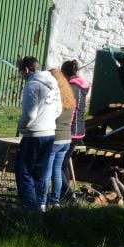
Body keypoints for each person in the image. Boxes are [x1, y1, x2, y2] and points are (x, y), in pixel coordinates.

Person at [15, 57, 62, 214]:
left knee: (24, 172)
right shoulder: (54, 85)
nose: (22, 76)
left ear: (27, 70)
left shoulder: (32, 84)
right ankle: (39, 206)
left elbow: (29, 113)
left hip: (34, 135)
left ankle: (30, 210)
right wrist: (47, 121)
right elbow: (58, 110)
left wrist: (21, 126)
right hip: (49, 134)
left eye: (21, 72)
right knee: (39, 174)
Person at [46, 69, 77, 211]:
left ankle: (43, 199)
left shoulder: (54, 96)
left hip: (55, 137)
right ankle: (56, 199)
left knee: (47, 171)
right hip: (66, 138)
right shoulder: (69, 96)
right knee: (57, 170)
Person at [61, 60, 91, 204]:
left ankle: (68, 195)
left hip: (70, 130)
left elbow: (69, 111)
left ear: (64, 73)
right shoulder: (82, 86)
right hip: (80, 130)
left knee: (58, 164)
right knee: (64, 163)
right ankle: (64, 194)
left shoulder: (70, 88)